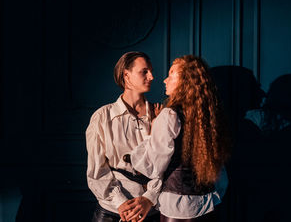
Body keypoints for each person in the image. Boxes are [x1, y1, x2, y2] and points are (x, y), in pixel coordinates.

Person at [126, 55, 231, 221]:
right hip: (210, 204)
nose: (164, 80)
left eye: (171, 74)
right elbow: (221, 175)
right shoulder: (210, 117)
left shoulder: (169, 115)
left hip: (177, 210)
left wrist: (152, 133)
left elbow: (151, 167)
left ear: (186, 81)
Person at [86, 51, 161, 222]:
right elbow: (97, 170)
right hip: (112, 212)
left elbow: (166, 164)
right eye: (145, 71)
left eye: (151, 71)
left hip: (151, 211)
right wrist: (121, 203)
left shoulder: (161, 114)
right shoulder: (102, 117)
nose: (152, 76)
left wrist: (149, 198)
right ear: (126, 76)